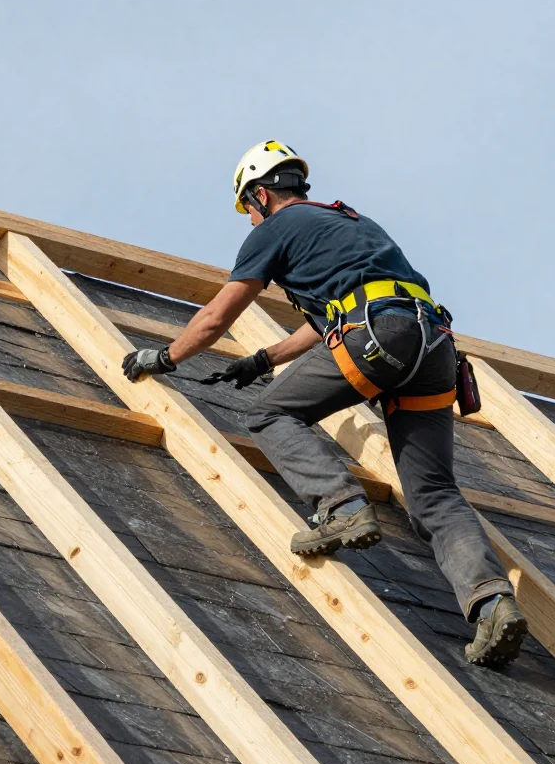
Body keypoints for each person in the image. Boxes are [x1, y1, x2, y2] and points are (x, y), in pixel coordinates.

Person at [120, 140, 525, 666]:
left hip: (377, 333)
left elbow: (217, 318)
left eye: (247, 208)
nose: (249, 220)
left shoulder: (274, 230)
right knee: (434, 494)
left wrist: (165, 358)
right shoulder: (352, 224)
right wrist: (264, 360)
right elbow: (326, 318)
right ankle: (492, 603)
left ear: (260, 195)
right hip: (431, 346)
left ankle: (342, 508)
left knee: (269, 414)